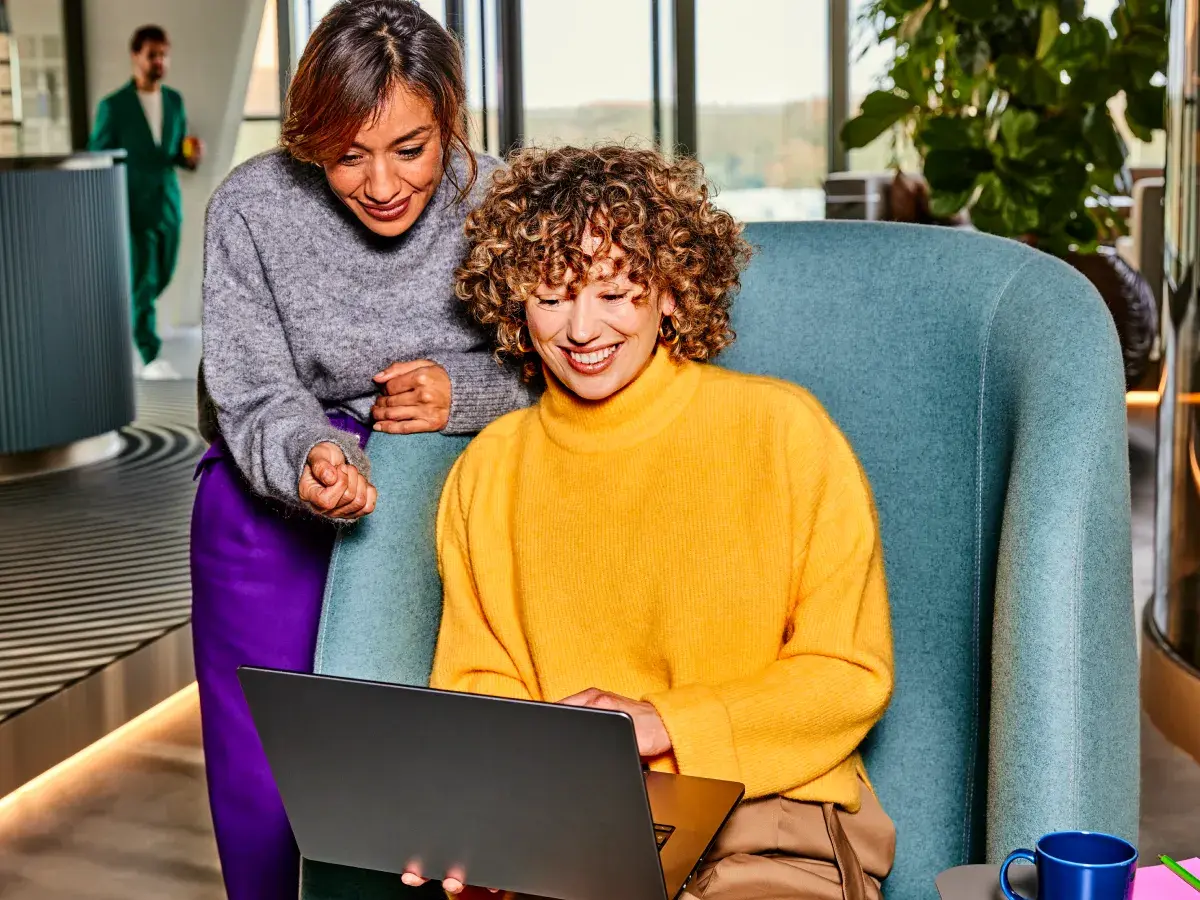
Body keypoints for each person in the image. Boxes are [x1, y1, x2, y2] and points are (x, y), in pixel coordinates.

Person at [407, 146, 897, 900]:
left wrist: (665, 723)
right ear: (514, 305)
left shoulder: (785, 433)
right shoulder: (488, 472)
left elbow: (848, 676)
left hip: (769, 826)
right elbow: (481, 685)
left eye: (613, 291)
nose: (580, 328)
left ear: (671, 290)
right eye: (551, 295)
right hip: (573, 836)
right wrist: (476, 815)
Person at [190, 2, 529, 898]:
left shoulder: (499, 201)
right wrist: (308, 458)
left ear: (449, 121)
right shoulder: (252, 209)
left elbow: (567, 358)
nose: (381, 183)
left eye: (410, 149)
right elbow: (254, 390)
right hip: (270, 500)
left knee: (424, 771)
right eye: (347, 155)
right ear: (311, 141)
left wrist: (470, 393)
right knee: (268, 783)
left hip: (445, 490)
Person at [89, 24, 203, 380]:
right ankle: (150, 354)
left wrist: (190, 158)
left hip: (167, 204)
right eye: (152, 54)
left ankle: (131, 320)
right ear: (135, 56)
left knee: (160, 276)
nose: (160, 61)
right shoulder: (114, 106)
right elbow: (98, 157)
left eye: (164, 54)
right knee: (142, 280)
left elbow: (174, 154)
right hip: (132, 206)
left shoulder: (174, 101)